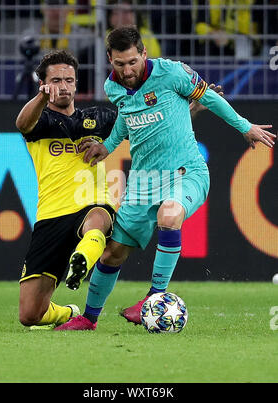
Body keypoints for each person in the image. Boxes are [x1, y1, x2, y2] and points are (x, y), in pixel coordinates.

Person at [54, 26, 275, 332]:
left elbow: (209, 97)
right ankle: (88, 319)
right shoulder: (113, 87)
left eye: (133, 61)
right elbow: (125, 120)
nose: (128, 70)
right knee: (112, 253)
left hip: (186, 172)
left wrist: (244, 126)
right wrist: (107, 147)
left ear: (144, 53)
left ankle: (155, 297)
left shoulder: (172, 73)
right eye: (120, 64)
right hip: (143, 181)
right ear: (110, 60)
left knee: (169, 215)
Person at [16, 49, 117, 329]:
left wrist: (190, 109)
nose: (64, 86)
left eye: (69, 80)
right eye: (57, 80)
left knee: (99, 217)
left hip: (91, 203)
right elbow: (22, 124)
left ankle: (80, 261)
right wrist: (40, 97)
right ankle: (70, 312)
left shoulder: (99, 118)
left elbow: (145, 125)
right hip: (51, 215)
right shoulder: (41, 121)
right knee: (29, 315)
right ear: (45, 84)